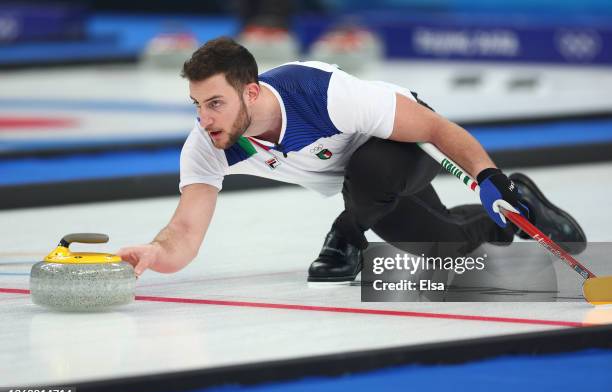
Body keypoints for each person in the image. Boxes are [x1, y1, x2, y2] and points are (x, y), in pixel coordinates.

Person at [118, 36, 586, 282]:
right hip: (366, 191)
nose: (204, 119)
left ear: (252, 92)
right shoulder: (210, 143)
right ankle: (513, 212)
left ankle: (345, 233)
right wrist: (158, 252)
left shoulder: (324, 94)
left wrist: (489, 177)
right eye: (196, 105)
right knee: (441, 248)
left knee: (369, 170)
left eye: (214, 103)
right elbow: (184, 231)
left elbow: (436, 129)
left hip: (402, 150)